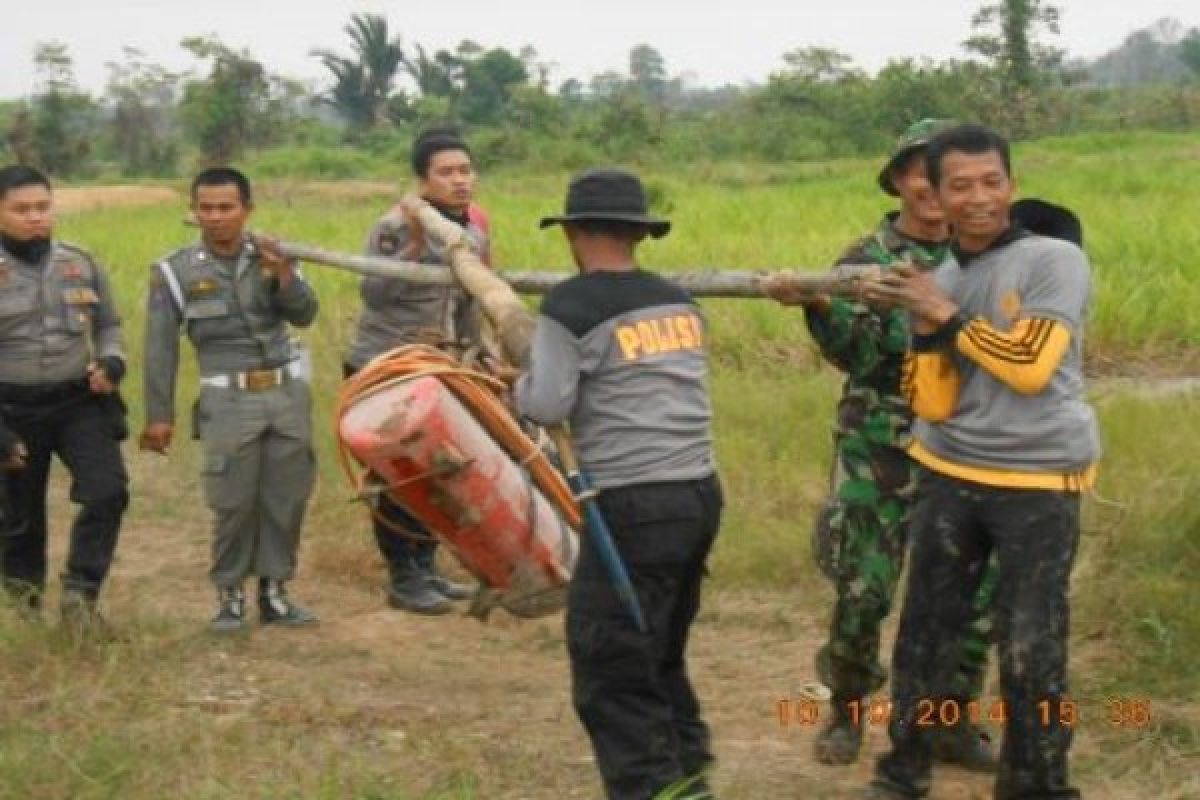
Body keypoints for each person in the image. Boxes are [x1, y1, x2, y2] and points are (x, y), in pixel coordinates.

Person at [861, 123, 1098, 800]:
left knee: (1029, 649)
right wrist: (929, 325)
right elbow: (933, 401)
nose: (977, 197)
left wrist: (945, 313)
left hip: (1039, 481)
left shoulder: (1054, 259)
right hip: (950, 473)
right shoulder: (939, 277)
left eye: (991, 182)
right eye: (959, 185)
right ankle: (901, 774)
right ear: (934, 196)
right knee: (923, 638)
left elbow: (1030, 367)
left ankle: (1038, 785)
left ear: (1011, 186)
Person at [765, 119, 997, 769]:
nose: (931, 186)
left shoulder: (989, 255)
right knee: (864, 590)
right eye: (919, 171)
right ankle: (846, 710)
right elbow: (856, 353)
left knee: (975, 594)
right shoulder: (863, 259)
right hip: (882, 449)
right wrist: (815, 306)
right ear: (898, 179)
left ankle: (951, 717)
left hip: (971, 448)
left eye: (942, 173)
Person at [516, 168, 723, 800]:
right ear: (638, 234)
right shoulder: (677, 301)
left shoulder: (570, 305)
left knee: (610, 665)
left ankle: (653, 789)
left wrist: (517, 383)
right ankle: (689, 773)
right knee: (658, 650)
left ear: (574, 233)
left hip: (633, 502)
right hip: (697, 492)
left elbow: (548, 405)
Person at [140, 167, 319, 633]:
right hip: (228, 401)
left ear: (247, 210)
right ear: (193, 211)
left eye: (226, 208)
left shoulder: (275, 255)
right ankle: (230, 596)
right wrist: (159, 416)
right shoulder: (174, 271)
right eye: (206, 208)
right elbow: (159, 347)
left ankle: (276, 593)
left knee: (286, 497)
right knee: (233, 500)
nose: (216, 217)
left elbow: (304, 314)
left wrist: (283, 273)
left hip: (285, 394)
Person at [342, 127, 487, 614]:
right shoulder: (397, 227)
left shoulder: (473, 231)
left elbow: (471, 300)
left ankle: (426, 566)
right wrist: (413, 250)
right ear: (423, 180)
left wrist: (477, 353)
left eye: (465, 170)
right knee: (398, 474)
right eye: (447, 172)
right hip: (386, 364)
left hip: (440, 366)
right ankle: (403, 576)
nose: (459, 181)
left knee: (438, 471)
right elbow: (374, 293)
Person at [0, 164, 129, 634]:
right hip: (10, 408)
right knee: (19, 518)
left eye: (43, 207)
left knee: (108, 491)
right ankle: (24, 608)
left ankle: (81, 594)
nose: (35, 217)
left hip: (77, 402)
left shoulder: (80, 261)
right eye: (21, 209)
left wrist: (112, 362)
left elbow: (109, 325)